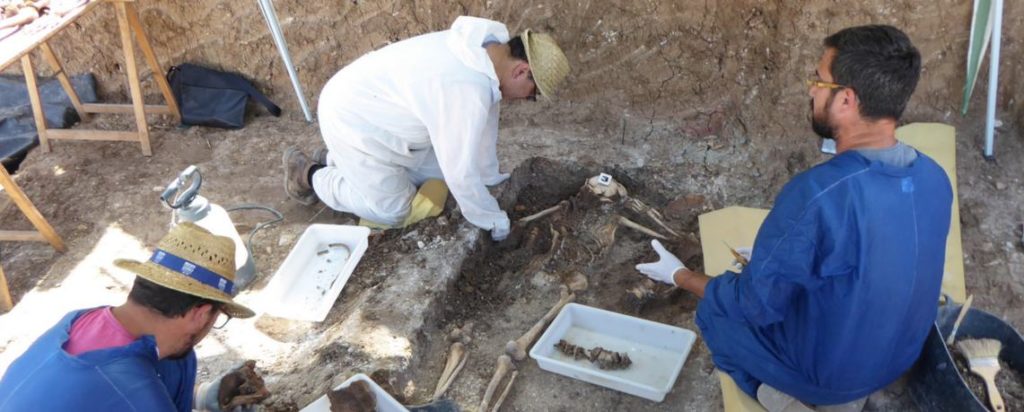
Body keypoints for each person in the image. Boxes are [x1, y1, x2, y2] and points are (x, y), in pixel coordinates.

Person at [636, 25, 952, 411]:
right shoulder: (934, 176)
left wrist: (679, 275)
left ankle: (784, 398)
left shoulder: (818, 194)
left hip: (834, 380)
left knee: (716, 315)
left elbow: (754, 305)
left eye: (819, 81)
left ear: (847, 100)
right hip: (903, 358)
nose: (810, 90)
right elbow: (875, 253)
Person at [283, 16, 570, 241]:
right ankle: (310, 174)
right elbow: (461, 173)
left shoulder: (485, 54)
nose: (526, 100)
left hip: (383, 119)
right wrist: (494, 220)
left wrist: (491, 178)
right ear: (520, 71)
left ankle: (339, 159)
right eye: (532, 93)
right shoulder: (467, 89)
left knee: (438, 180)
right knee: (394, 212)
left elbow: (481, 137)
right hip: (352, 121)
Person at [0, 222, 267, 411]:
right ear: (202, 313)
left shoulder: (82, 320)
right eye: (217, 318)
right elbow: (122, 394)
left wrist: (202, 396)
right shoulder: (134, 395)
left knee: (180, 357)